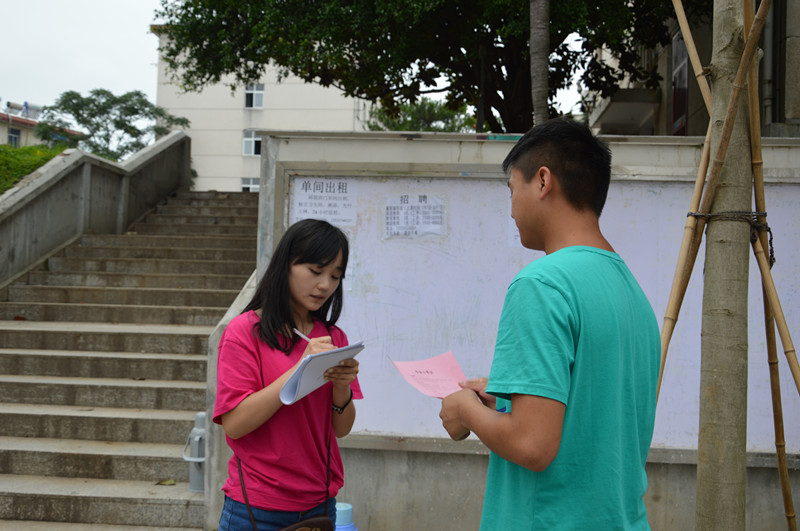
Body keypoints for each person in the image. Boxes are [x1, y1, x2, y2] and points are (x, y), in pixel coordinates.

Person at [439, 118, 660, 530]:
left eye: (512, 189)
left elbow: (532, 444)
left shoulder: (541, 284)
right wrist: (503, 399)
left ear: (543, 181)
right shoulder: (632, 292)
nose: (511, 209)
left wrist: (465, 409)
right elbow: (588, 414)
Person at [214, 218, 362, 530]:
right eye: (315, 271)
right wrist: (299, 369)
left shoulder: (333, 337)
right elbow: (235, 425)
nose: (325, 285)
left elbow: (341, 428)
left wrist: (341, 389)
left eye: (335, 276)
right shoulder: (244, 332)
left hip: (319, 505)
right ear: (286, 265)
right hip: (254, 506)